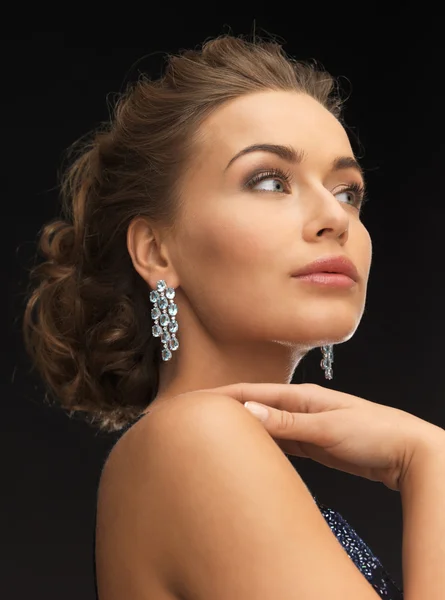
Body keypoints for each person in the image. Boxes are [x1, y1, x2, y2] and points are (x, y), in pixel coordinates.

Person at [21, 34, 445, 599]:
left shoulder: (199, 444)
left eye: (348, 191)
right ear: (156, 251)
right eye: (270, 181)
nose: (334, 219)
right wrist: (429, 464)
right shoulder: (193, 438)